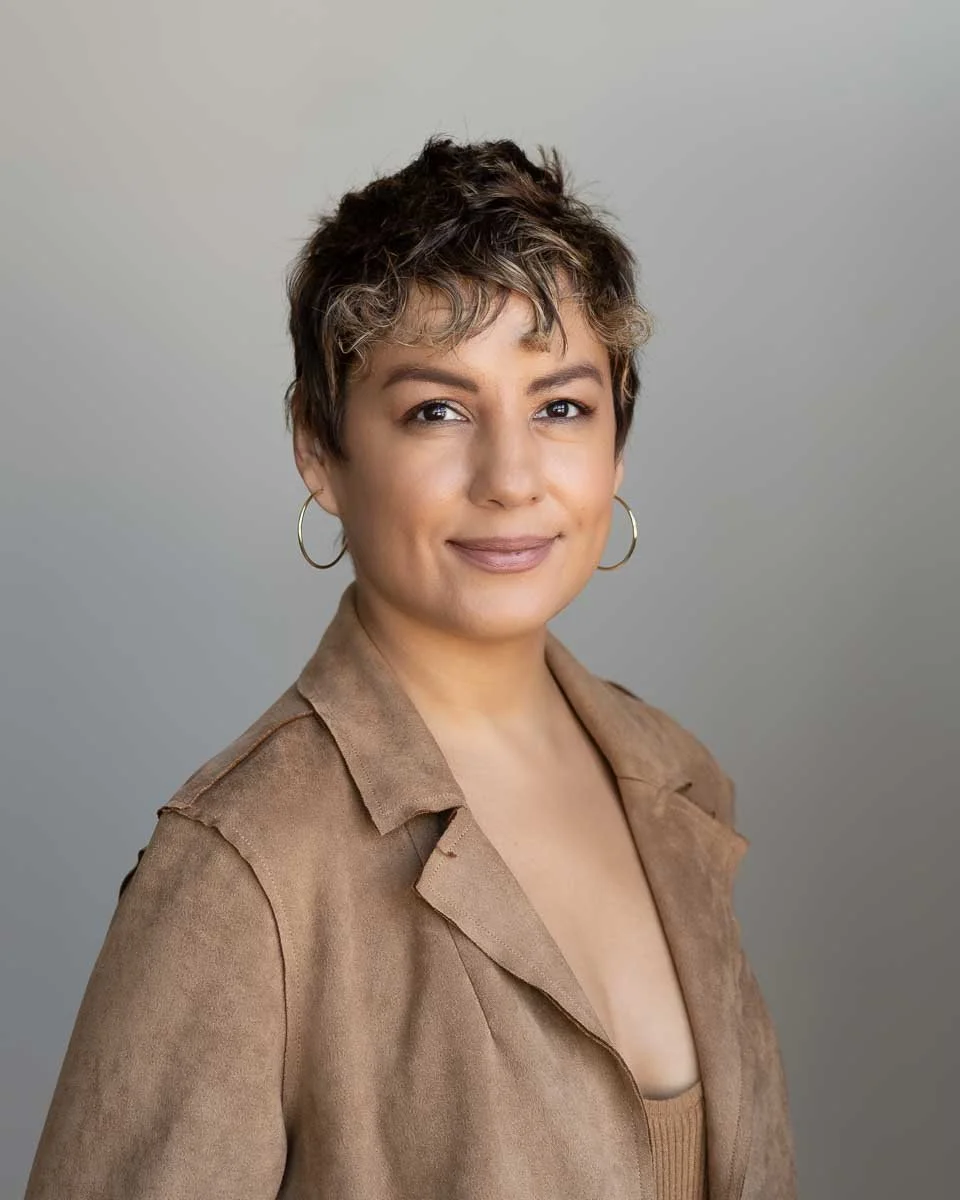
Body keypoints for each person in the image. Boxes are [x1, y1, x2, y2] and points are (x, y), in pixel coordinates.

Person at [24, 135, 798, 1200]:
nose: (511, 476)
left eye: (560, 405)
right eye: (438, 410)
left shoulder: (680, 783)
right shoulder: (242, 869)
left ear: (618, 440)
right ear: (319, 446)